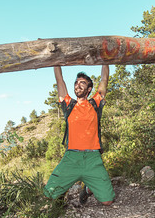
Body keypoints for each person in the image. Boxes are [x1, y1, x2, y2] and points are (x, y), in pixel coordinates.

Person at [43, 65, 115, 206]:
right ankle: (61, 196)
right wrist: (55, 61)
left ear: (89, 89)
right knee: (49, 195)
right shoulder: (69, 104)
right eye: (76, 82)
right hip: (71, 158)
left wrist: (105, 60)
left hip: (93, 158)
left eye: (82, 83)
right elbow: (59, 80)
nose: (78, 85)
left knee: (108, 201)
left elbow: (104, 79)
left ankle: (88, 189)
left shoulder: (95, 103)